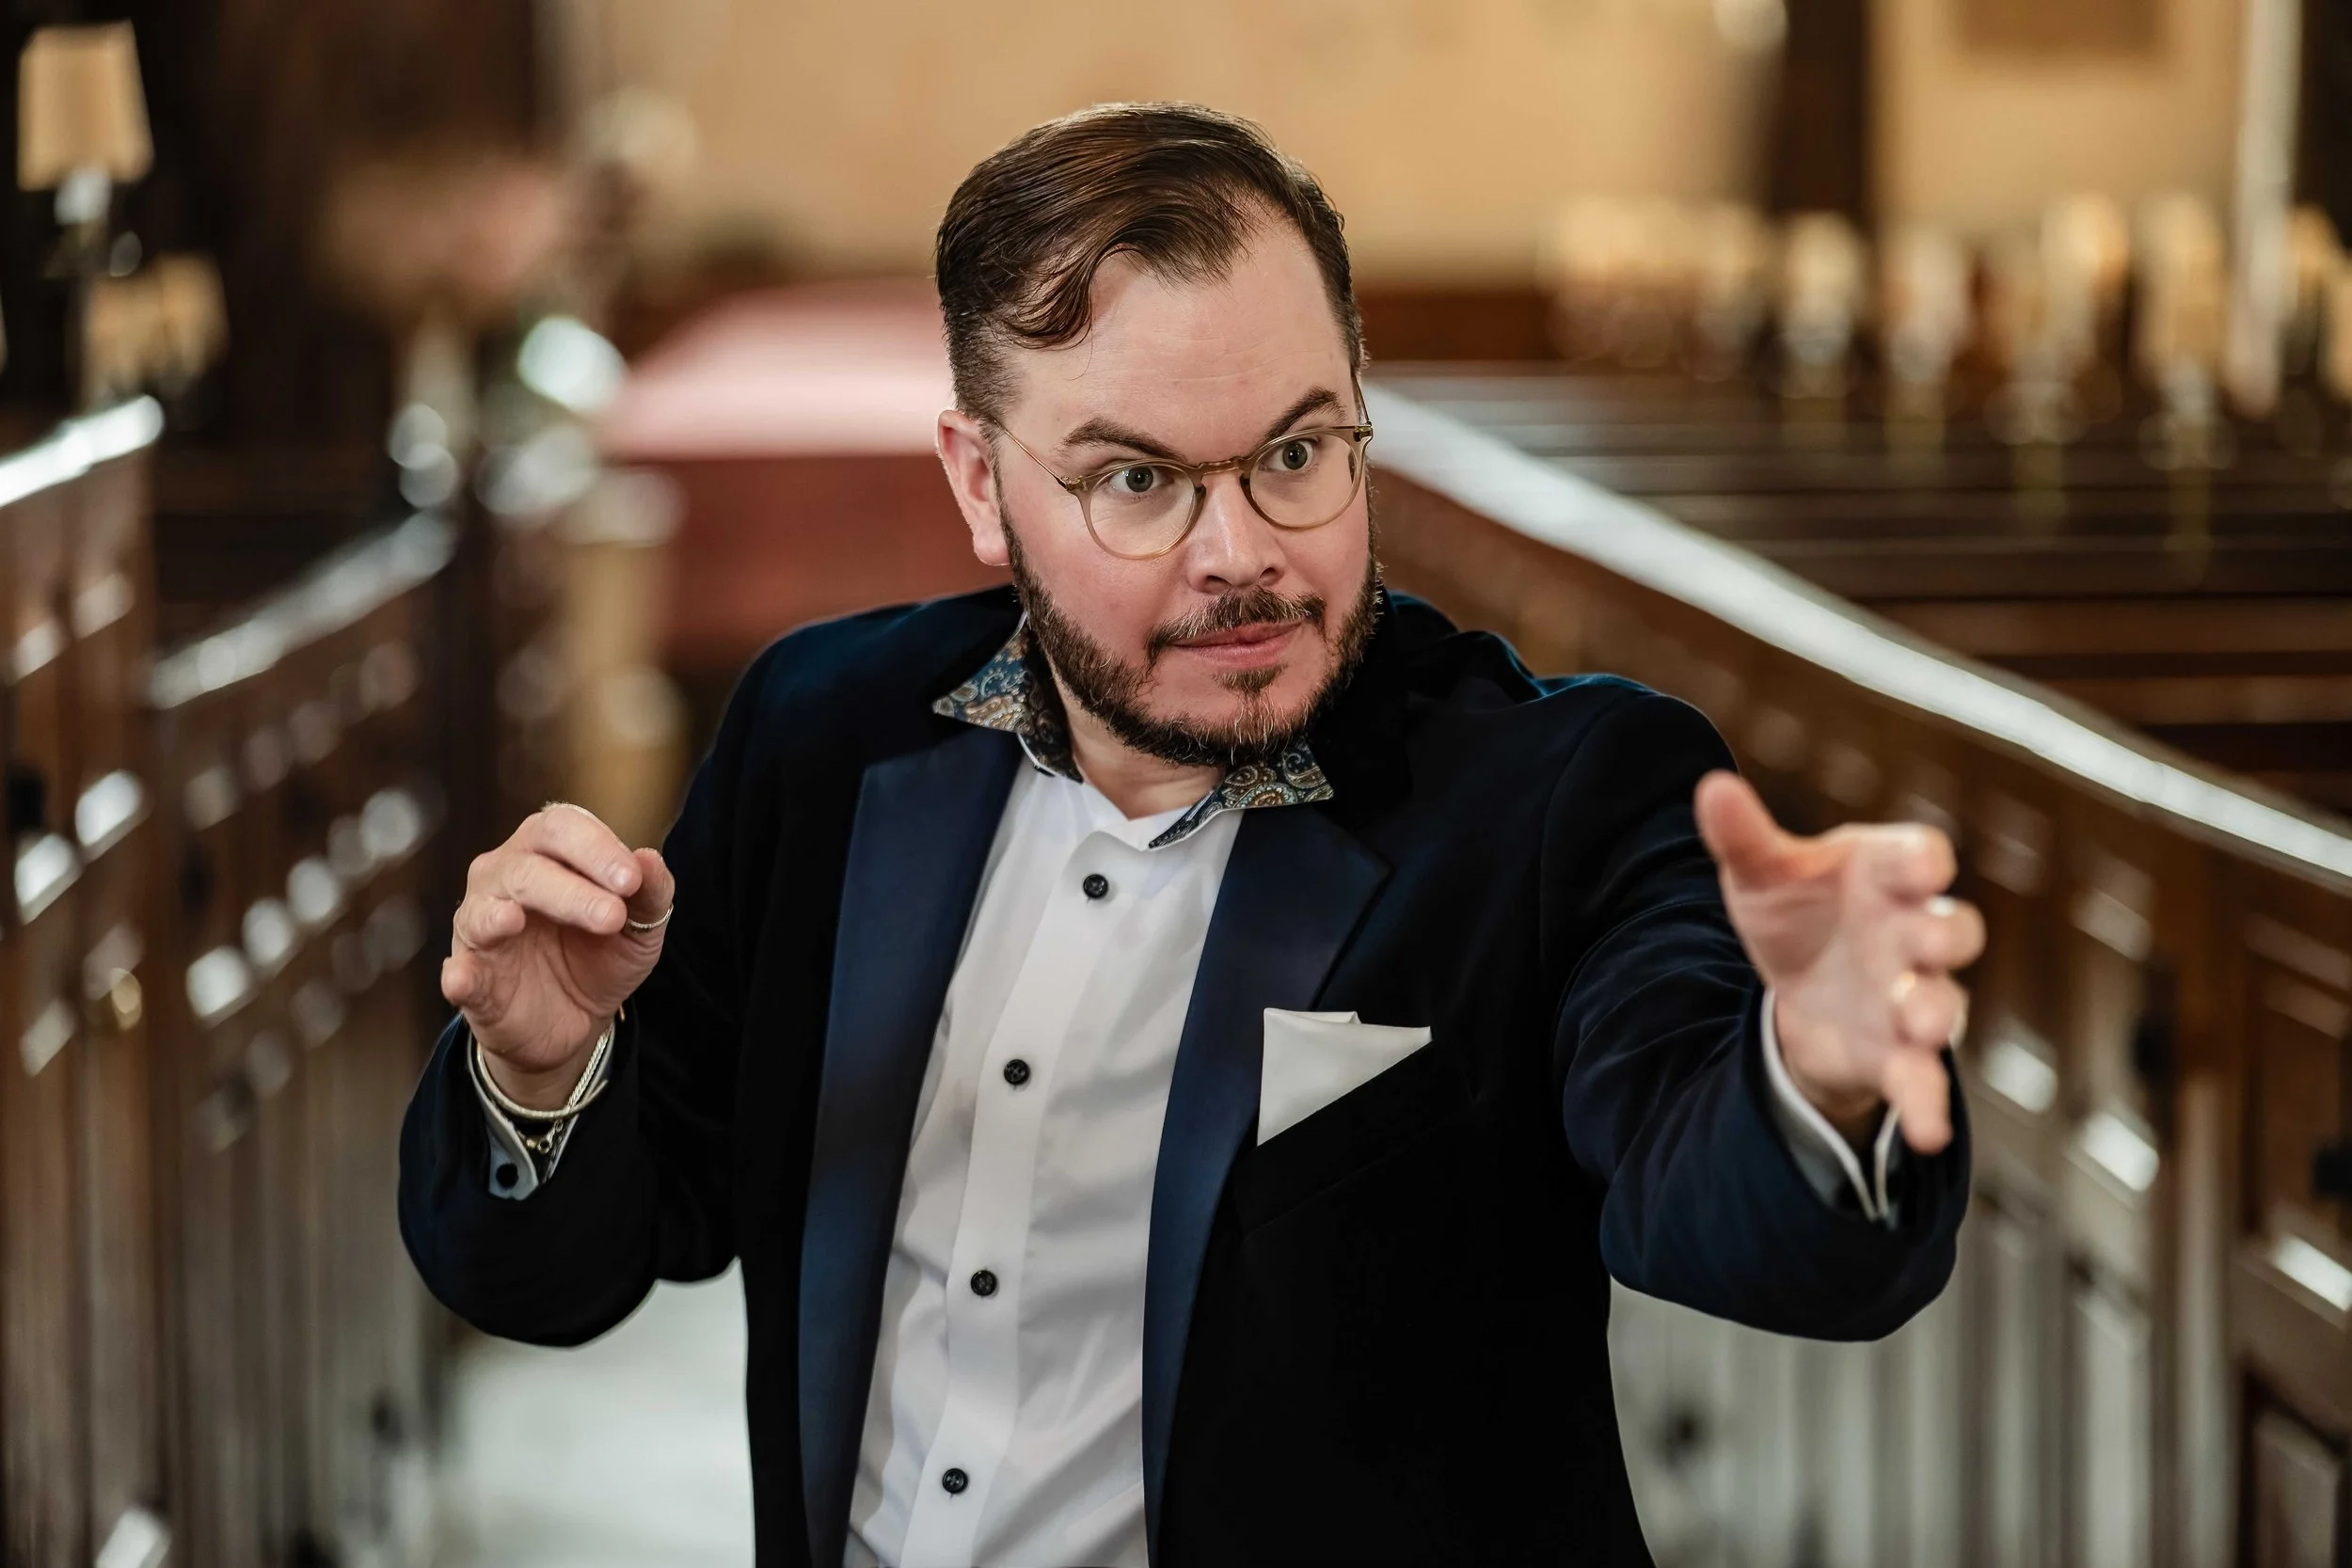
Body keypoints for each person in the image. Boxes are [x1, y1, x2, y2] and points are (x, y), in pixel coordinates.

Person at [400, 103, 1977, 1568]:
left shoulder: (1557, 793)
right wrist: (538, 1074)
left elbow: (1743, 1215)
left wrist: (1812, 1080)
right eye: (1138, 480)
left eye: (1298, 453)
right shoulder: (826, 739)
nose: (1244, 558)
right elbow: (567, 1266)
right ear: (980, 483)